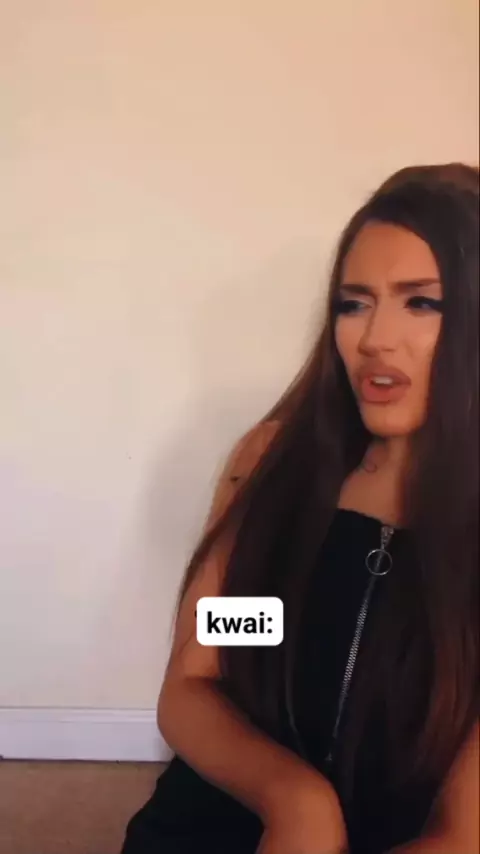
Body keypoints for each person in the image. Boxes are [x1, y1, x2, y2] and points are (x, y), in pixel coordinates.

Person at [121, 163, 479, 854]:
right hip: (218, 818)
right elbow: (197, 678)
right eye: (354, 303)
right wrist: (298, 802)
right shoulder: (273, 465)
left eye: (421, 303)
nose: (374, 338)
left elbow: (464, 834)